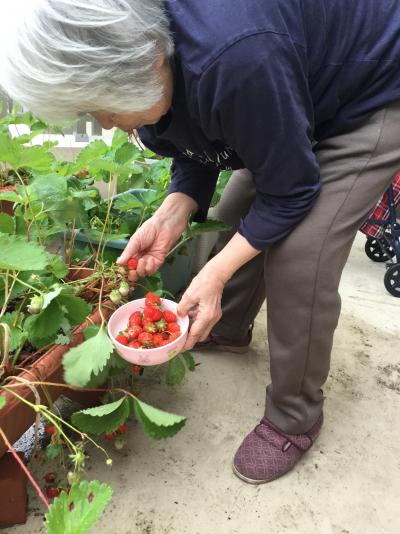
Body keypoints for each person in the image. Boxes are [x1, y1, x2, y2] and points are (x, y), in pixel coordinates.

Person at [1, 0, 400, 484]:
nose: (104, 124)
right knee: (231, 220)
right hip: (291, 88)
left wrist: (214, 274)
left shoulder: (236, 57)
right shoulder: (151, 49)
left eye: (103, 106)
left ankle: (295, 416)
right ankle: (228, 329)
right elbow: (193, 127)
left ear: (150, 59)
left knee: (300, 260)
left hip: (368, 92)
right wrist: (176, 206)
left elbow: (291, 191)